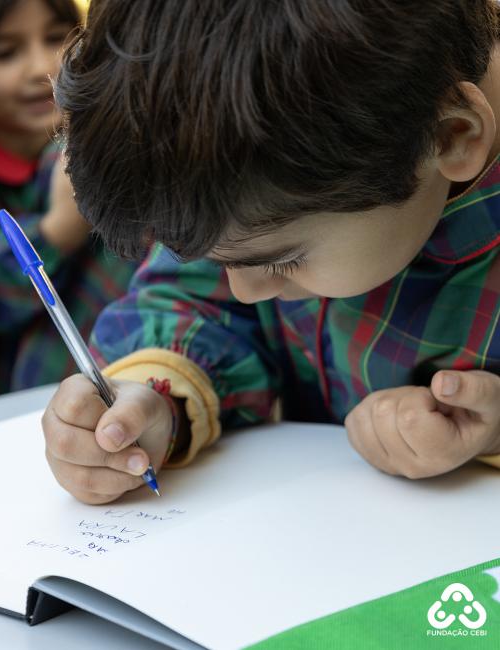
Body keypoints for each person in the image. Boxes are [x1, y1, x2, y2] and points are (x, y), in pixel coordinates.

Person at [42, 0, 499, 505]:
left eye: (282, 262)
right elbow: (197, 304)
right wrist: (151, 401)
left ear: (452, 137)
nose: (244, 290)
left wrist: (493, 431)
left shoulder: (311, 158)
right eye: (217, 260)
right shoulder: (249, 189)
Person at [0, 0, 137, 398]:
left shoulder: (105, 150)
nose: (40, 67)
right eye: (3, 52)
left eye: (57, 38)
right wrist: (55, 233)